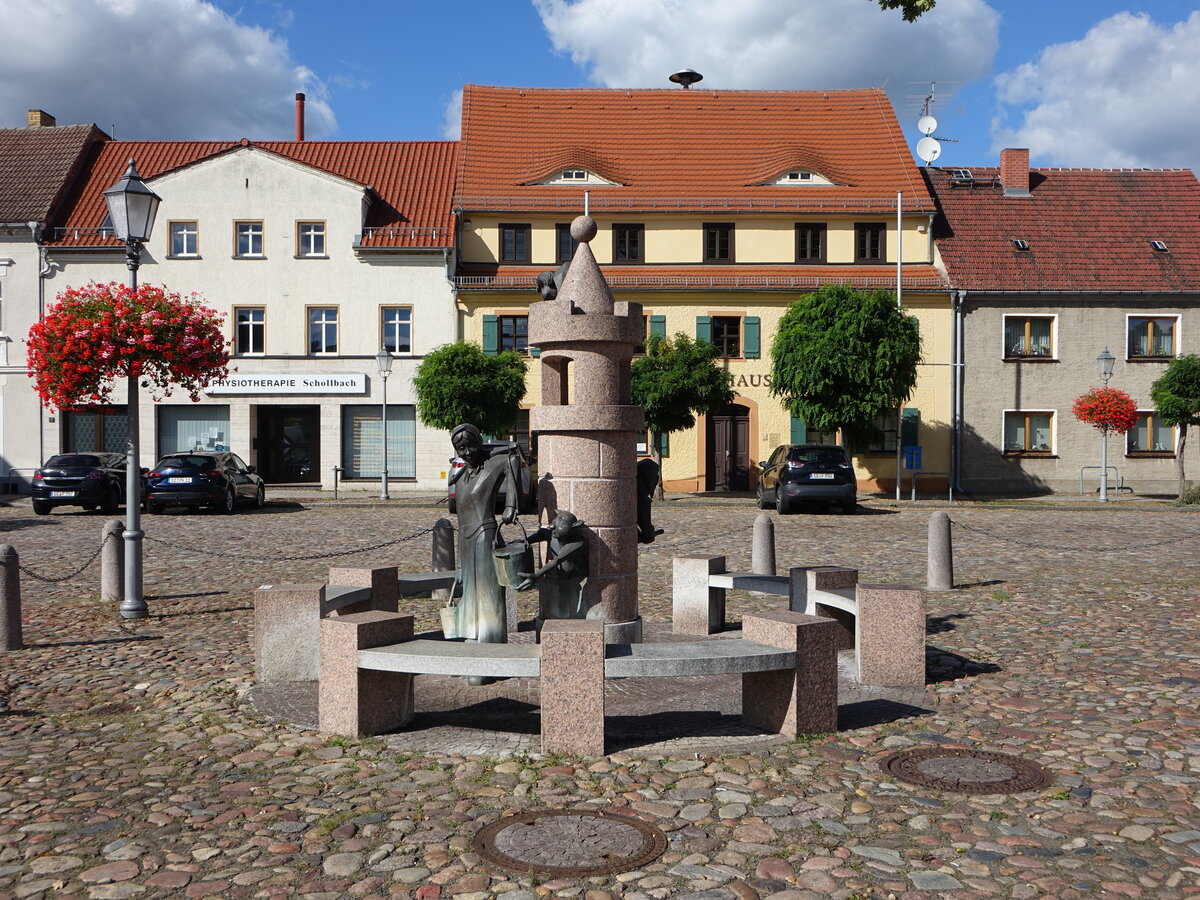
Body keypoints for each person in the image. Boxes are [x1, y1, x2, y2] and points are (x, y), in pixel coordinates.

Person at [447, 424, 519, 651]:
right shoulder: (459, 479)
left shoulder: (495, 463)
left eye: (471, 445)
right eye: (461, 448)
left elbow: (512, 461)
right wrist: (459, 566)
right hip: (466, 541)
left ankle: (492, 644)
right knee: (469, 593)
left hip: (485, 535)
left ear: (480, 442)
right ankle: (473, 639)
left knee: (489, 593)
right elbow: (459, 520)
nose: (467, 452)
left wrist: (511, 504)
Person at [516, 509, 589, 620]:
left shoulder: (577, 543)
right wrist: (519, 542)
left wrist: (536, 576)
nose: (553, 529)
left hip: (575, 577)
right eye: (554, 524)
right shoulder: (550, 533)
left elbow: (557, 560)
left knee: (572, 610)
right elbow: (536, 536)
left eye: (559, 527)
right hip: (562, 576)